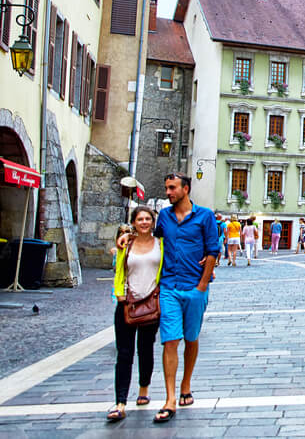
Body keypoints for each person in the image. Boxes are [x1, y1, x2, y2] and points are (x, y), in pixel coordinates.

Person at [144, 173, 218, 423]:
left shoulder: (205, 216)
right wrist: (126, 239)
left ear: (185, 189)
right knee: (170, 341)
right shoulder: (164, 216)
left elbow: (212, 250)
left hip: (194, 287)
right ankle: (170, 398)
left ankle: (186, 384)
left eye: (172, 188)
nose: (168, 192)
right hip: (169, 286)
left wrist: (203, 284)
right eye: (166, 188)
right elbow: (152, 241)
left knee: (191, 338)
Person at [106, 206, 163, 422]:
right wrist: (119, 294)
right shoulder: (126, 244)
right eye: (140, 219)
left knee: (146, 348)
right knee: (124, 353)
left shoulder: (161, 244)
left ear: (153, 222)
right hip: (127, 305)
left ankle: (144, 389)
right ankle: (120, 401)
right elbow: (119, 269)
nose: (144, 222)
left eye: (148, 219)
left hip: (150, 303)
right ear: (134, 222)